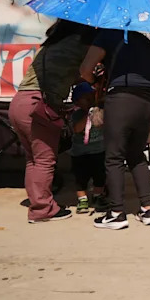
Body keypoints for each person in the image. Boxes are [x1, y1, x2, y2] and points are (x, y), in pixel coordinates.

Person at [9, 19, 96, 223]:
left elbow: (64, 75)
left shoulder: (52, 44)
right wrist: (94, 78)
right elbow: (87, 72)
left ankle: (40, 203)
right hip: (38, 105)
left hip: (20, 102)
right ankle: (42, 210)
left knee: (33, 159)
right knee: (45, 160)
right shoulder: (80, 43)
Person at [80, 26, 150, 230]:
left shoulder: (107, 35)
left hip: (123, 97)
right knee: (136, 154)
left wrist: (95, 81)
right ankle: (148, 209)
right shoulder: (146, 43)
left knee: (114, 156)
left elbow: (85, 69)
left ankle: (116, 213)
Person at [68, 82, 107, 214]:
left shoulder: (98, 111)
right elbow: (77, 129)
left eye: (92, 96)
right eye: (86, 98)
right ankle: (82, 199)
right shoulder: (76, 114)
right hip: (80, 153)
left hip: (98, 150)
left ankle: (98, 195)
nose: (90, 100)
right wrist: (87, 116)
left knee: (100, 176)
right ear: (77, 101)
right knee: (80, 178)